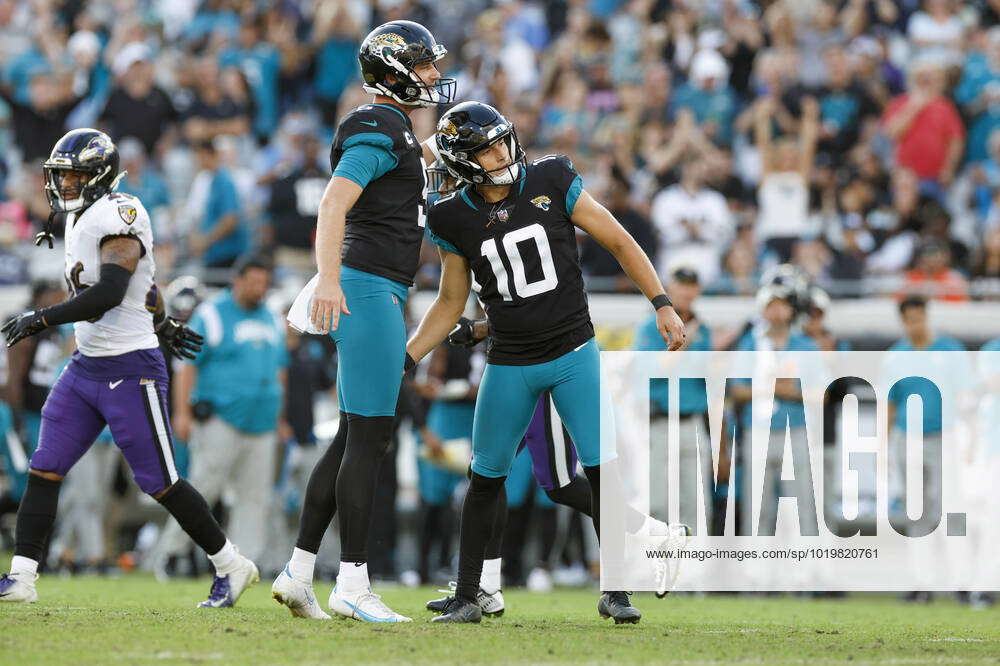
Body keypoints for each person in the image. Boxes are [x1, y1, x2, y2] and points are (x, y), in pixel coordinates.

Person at [406, 101, 685, 624]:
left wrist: (662, 302)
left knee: (599, 469)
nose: (501, 151)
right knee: (485, 475)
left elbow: (620, 241)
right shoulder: (452, 216)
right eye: (485, 148)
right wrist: (408, 356)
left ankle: (618, 590)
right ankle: (470, 594)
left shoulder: (551, 178)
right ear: (463, 161)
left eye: (501, 139)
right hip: (509, 360)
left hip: (573, 351)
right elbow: (449, 301)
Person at [0, 129, 257, 607]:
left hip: (129, 367)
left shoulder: (122, 212)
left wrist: (41, 317)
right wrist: (165, 322)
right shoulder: (80, 218)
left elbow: (111, 291)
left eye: (75, 175)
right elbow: (147, 287)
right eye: (62, 176)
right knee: (45, 467)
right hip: (85, 366)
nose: (66, 184)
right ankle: (21, 577)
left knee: (159, 481)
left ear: (99, 176)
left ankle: (231, 564)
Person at [273, 20, 455, 623]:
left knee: (353, 437)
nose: (434, 75)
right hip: (369, 289)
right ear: (396, 70)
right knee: (372, 439)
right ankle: (352, 581)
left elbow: (403, 178)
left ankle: (299, 572)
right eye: (425, 65)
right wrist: (328, 277)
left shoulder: (396, 128)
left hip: (374, 286)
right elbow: (333, 202)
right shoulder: (379, 124)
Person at [157, 255, 289, 570]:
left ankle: (244, 564)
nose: (260, 289)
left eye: (264, 283)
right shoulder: (211, 314)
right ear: (237, 281)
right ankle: (170, 554)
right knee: (201, 490)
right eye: (254, 282)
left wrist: (281, 418)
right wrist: (182, 413)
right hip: (220, 418)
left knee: (255, 497)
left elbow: (280, 371)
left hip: (262, 422)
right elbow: (187, 366)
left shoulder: (271, 316)